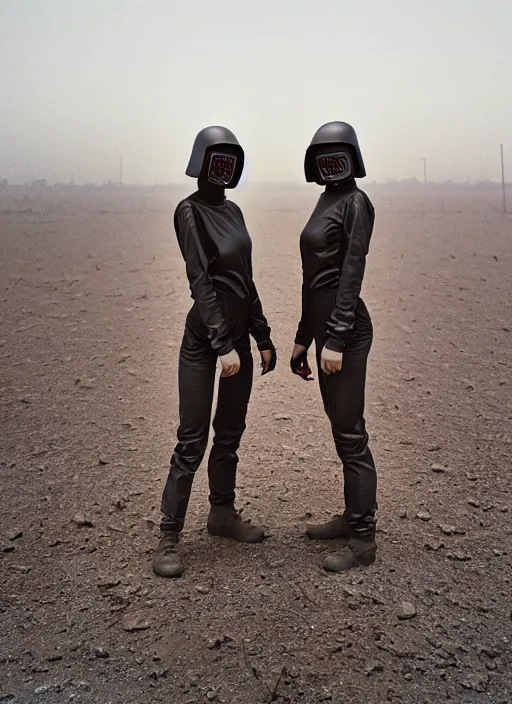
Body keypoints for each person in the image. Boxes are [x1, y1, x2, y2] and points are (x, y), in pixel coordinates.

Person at [153, 126, 276, 578]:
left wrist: (261, 336)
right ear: (200, 162)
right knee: (192, 439)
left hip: (239, 342)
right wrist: (223, 345)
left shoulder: (236, 210)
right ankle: (169, 535)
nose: (223, 171)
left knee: (230, 432)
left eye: (231, 163)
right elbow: (201, 282)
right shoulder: (188, 211)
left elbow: (245, 277)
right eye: (216, 162)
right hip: (205, 343)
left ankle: (222, 514)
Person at [290, 121, 378, 572]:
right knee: (339, 428)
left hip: (347, 332)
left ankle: (363, 540)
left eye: (336, 156)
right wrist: (305, 337)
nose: (329, 164)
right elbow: (314, 279)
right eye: (321, 157)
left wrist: (337, 337)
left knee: (350, 432)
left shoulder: (356, 203)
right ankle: (350, 518)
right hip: (325, 332)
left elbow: (350, 274)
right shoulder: (326, 200)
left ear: (352, 157)